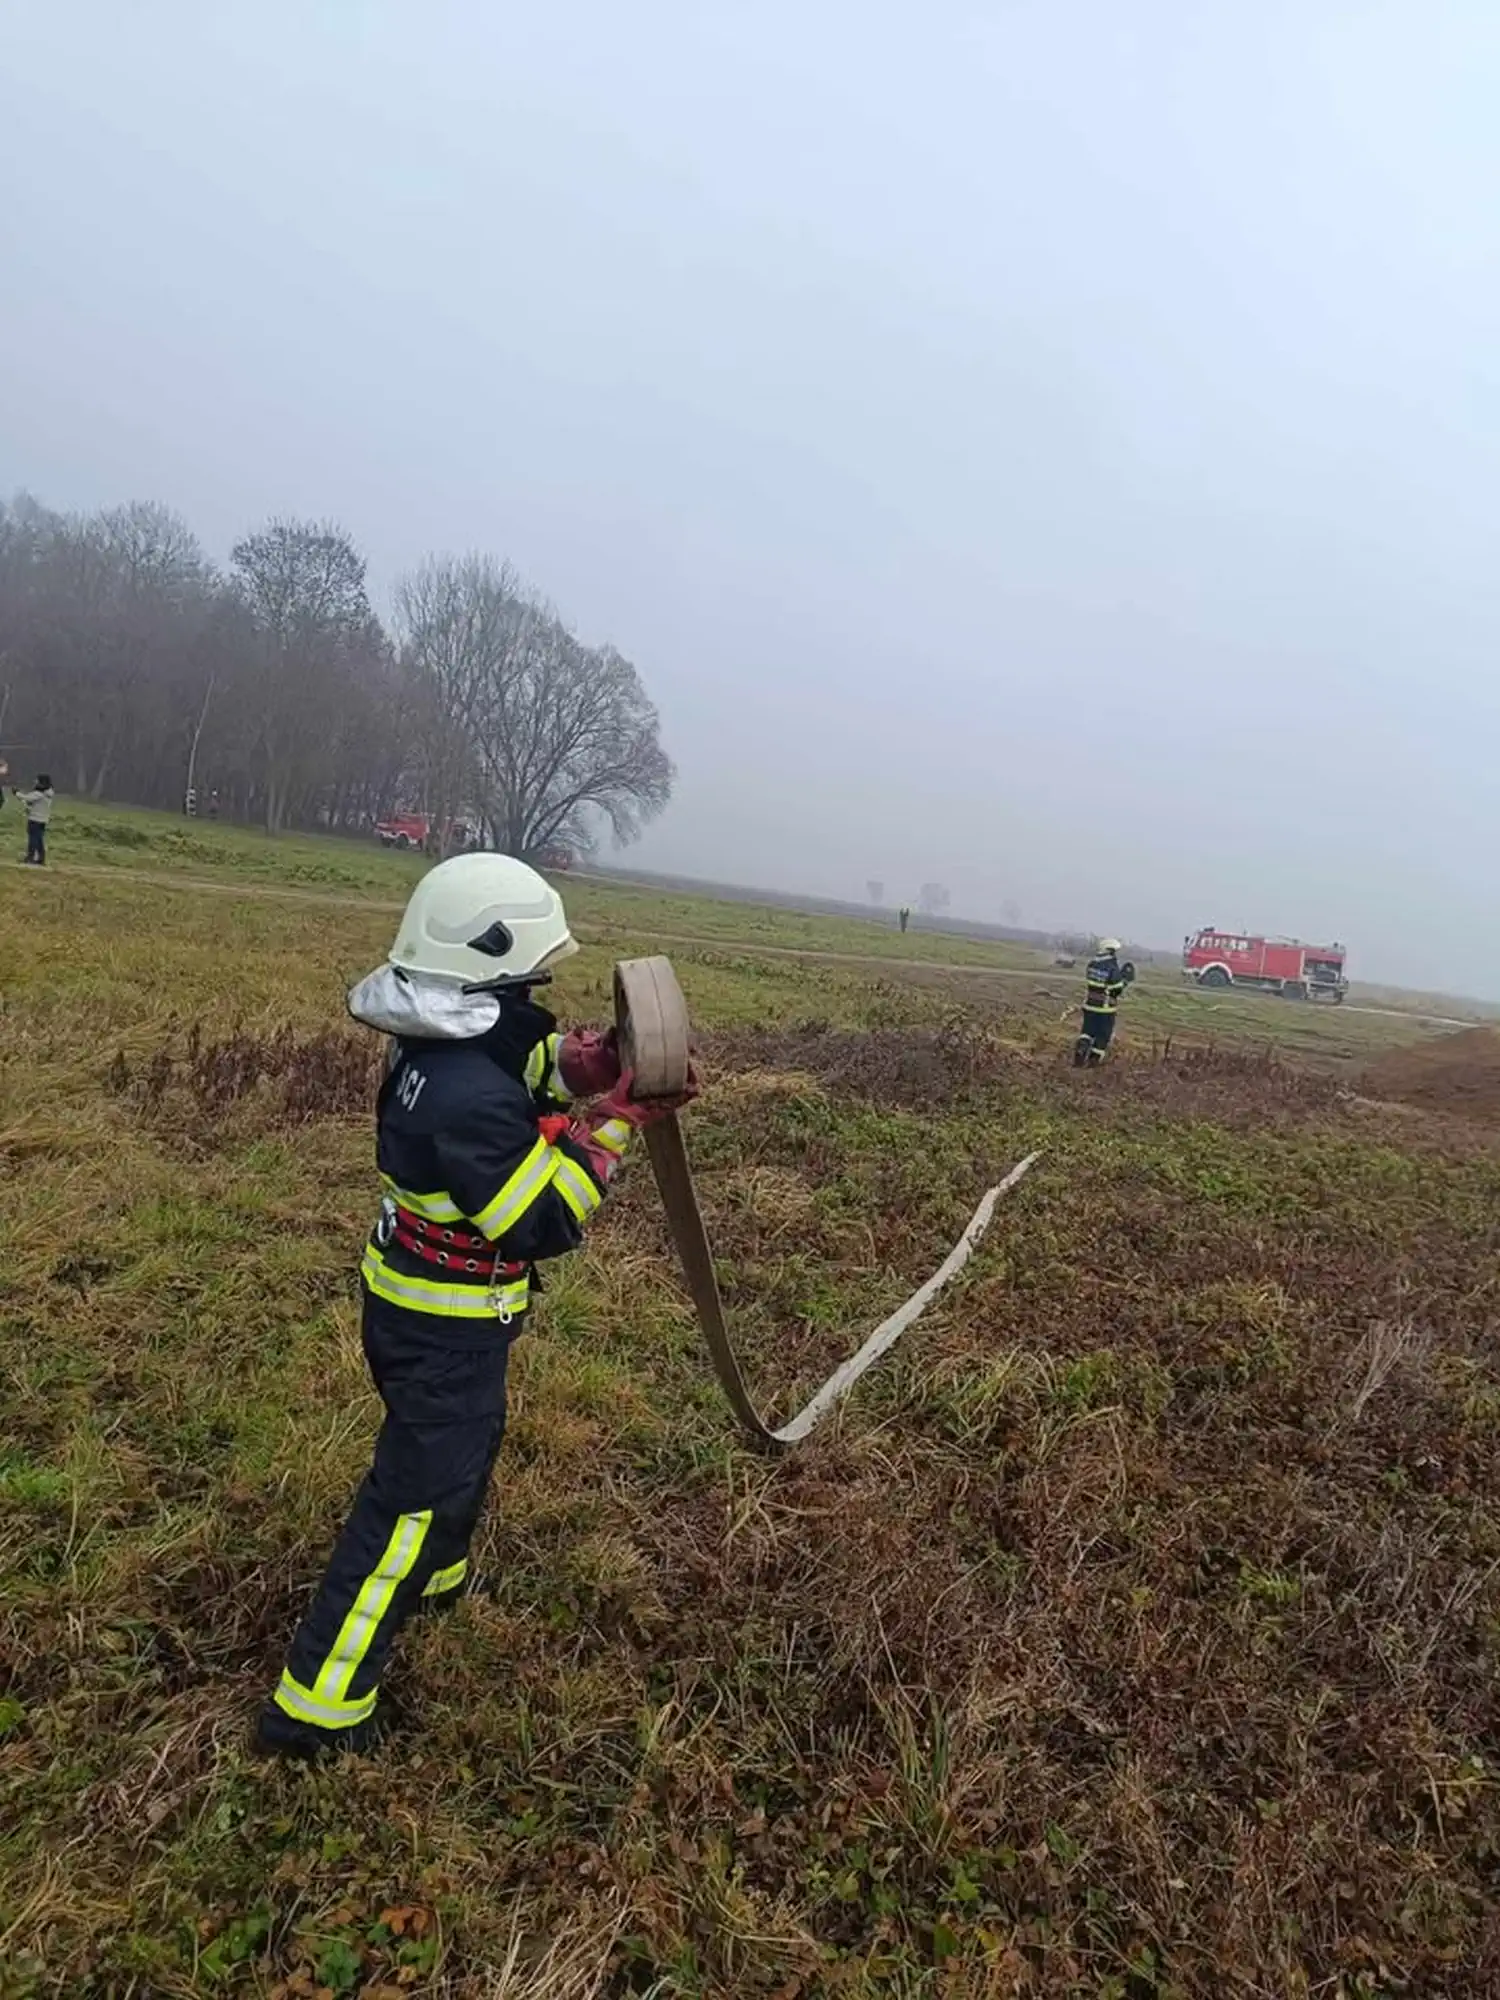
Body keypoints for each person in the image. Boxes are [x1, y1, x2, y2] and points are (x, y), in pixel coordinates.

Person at [255, 851, 696, 1759]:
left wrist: (584, 1064)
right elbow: (541, 1217)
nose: (538, 995)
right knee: (409, 1505)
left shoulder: (439, 1040)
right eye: (529, 980)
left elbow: (509, 1057)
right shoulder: (467, 1103)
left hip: (417, 1311)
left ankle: (437, 1577)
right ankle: (316, 1708)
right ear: (490, 967)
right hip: (444, 1331)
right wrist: (618, 1121)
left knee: (465, 1448)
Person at [1073, 936, 1135, 1067]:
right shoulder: (1111, 966)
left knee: (1087, 1031)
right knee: (1103, 1034)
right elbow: (1116, 990)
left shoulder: (1092, 964)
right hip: (1105, 1008)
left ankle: (1081, 1050)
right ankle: (1093, 1061)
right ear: (1110, 951)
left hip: (1090, 1005)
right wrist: (1125, 980)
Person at [17, 775, 54, 865]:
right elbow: (31, 803)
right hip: (43, 820)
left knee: (33, 839)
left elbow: (26, 798)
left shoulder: (39, 793)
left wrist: (16, 793)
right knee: (39, 840)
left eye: (37, 781)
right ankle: (41, 858)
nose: (35, 782)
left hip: (35, 819)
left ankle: (31, 857)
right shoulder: (48, 793)